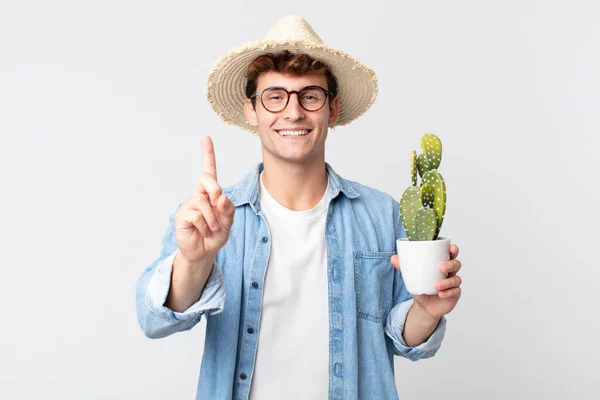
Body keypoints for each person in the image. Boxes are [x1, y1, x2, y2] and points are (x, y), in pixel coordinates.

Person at [135, 15, 462, 400]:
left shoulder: (381, 214)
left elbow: (403, 338)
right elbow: (154, 320)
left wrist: (427, 309)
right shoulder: (210, 216)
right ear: (251, 111)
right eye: (275, 96)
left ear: (332, 109)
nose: (293, 112)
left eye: (310, 95)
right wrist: (193, 260)